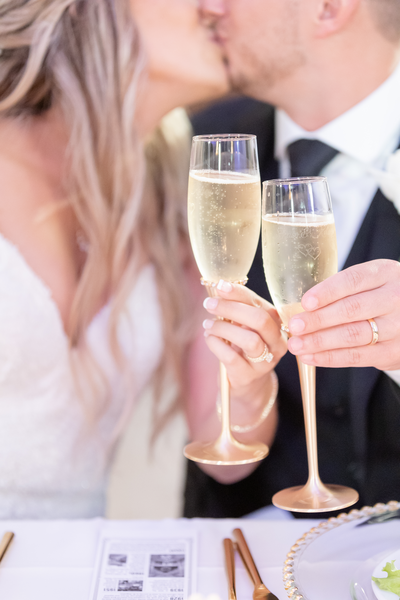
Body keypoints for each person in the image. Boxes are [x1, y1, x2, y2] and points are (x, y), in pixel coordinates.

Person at [0, 0, 285, 518]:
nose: (219, 7)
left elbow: (226, 458)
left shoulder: (174, 185)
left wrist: (252, 380)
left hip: (77, 569)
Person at [184, 0, 400, 519]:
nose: (209, 7)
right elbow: (221, 463)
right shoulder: (211, 148)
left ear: (328, 8)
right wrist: (248, 388)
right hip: (254, 560)